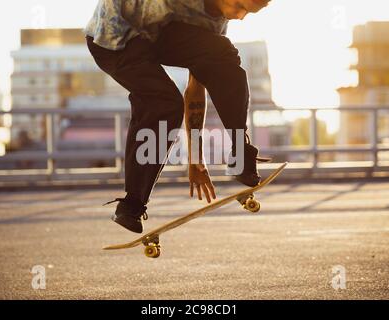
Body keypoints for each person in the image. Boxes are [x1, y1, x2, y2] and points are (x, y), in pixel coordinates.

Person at [84, 0, 272, 233]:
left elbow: (195, 90)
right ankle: (132, 203)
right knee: (163, 103)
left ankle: (240, 153)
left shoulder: (214, 21)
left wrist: (195, 158)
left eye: (248, 13)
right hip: (113, 37)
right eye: (240, 6)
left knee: (222, 52)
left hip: (156, 35)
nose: (240, 16)